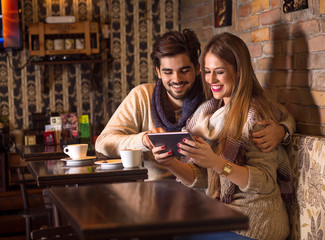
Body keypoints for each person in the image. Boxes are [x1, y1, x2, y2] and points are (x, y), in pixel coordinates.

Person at [95, 29, 295, 180]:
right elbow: (103, 143)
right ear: (157, 72)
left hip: (202, 189)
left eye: (184, 70)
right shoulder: (141, 97)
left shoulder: (213, 96)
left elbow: (277, 113)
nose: (176, 79)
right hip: (155, 189)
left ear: (197, 68)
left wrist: (283, 131)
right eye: (167, 72)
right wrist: (144, 140)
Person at [152, 32, 293, 240]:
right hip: (223, 216)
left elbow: (264, 182)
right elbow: (202, 178)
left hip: (256, 224)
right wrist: (170, 163)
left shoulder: (255, 117)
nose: (211, 79)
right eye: (207, 72)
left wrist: (217, 163)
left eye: (219, 72)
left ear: (238, 72)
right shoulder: (207, 113)